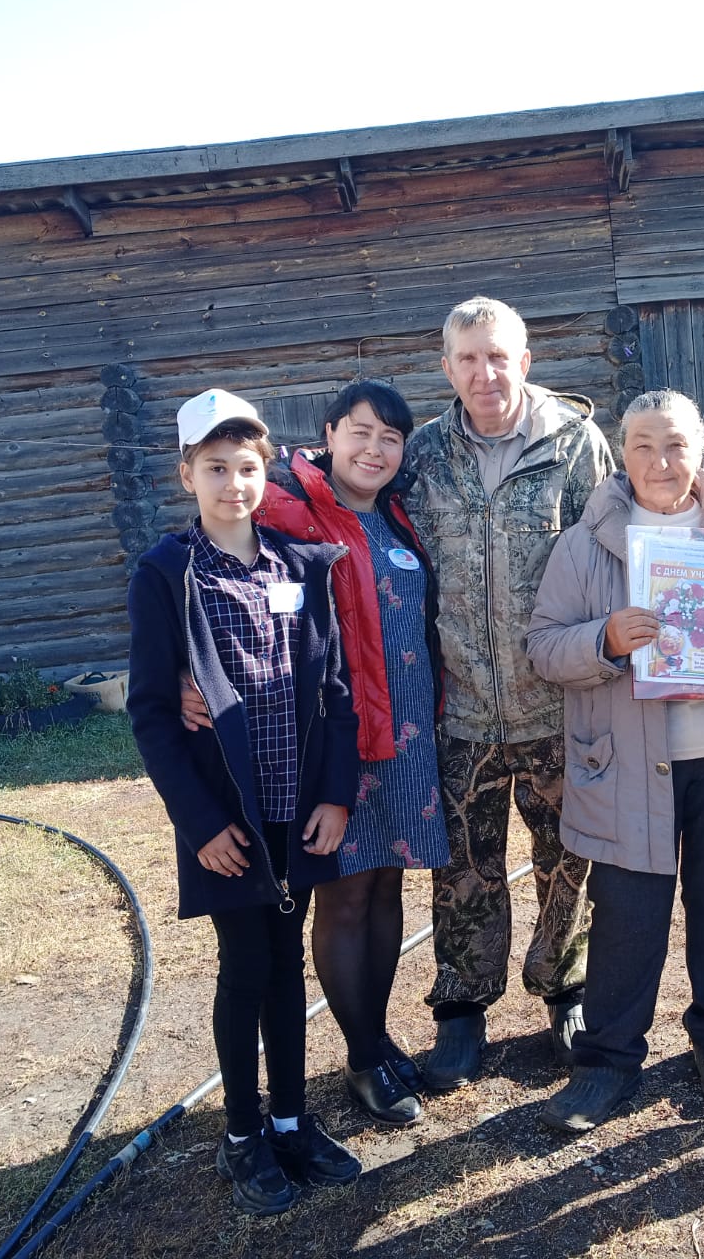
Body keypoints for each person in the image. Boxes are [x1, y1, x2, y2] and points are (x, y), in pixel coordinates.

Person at [526, 389, 704, 1131]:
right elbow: (544, 648)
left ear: (700, 448)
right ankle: (608, 1062)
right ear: (622, 452)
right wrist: (606, 640)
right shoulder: (588, 543)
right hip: (625, 762)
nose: (660, 461)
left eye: (675, 444)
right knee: (628, 915)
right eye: (643, 445)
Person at [127, 388, 363, 1217]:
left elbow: (333, 692)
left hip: (294, 811)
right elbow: (153, 711)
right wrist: (198, 822)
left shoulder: (299, 568)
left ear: (268, 472)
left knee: (287, 965)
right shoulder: (166, 576)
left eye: (249, 468)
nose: (234, 484)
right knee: (247, 966)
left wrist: (335, 797)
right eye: (216, 468)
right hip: (229, 820)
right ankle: (242, 1134)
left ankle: (293, 1122)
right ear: (186, 472)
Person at [402, 296, 615, 1090]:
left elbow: (614, 546)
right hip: (460, 710)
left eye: (498, 356)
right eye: (468, 359)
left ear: (524, 362)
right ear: (448, 367)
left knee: (571, 860)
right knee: (463, 868)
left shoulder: (575, 445)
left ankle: (566, 991)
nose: (484, 373)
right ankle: (461, 1008)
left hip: (558, 703)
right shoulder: (423, 453)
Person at [251, 381, 449, 1126]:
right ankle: (363, 1062)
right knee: (343, 894)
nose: (375, 449)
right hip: (337, 738)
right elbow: (208, 571)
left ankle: (375, 1034)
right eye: (361, 433)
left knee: (389, 889)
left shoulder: (398, 516)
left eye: (390, 438)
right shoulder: (287, 512)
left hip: (407, 737)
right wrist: (180, 670)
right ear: (329, 434)